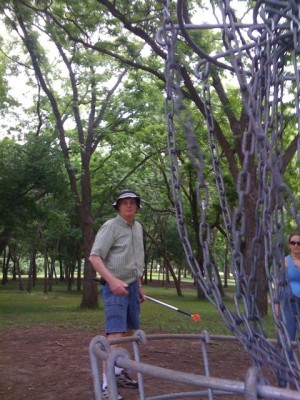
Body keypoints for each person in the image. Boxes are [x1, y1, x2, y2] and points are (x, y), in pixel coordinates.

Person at [89, 189, 145, 400]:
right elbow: (94, 257)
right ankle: (106, 385)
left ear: (137, 206)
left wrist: (138, 284)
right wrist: (112, 281)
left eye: (132, 202)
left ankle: (119, 373)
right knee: (115, 333)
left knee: (130, 330)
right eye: (124, 203)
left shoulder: (137, 227)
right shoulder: (110, 226)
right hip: (114, 286)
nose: (128, 205)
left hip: (131, 285)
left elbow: (135, 260)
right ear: (118, 206)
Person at [281, 232, 300, 342]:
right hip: (290, 300)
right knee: (289, 333)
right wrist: (277, 305)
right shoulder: (285, 262)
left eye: (299, 243)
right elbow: (279, 283)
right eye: (293, 243)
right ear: (289, 245)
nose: (296, 245)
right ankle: (288, 358)